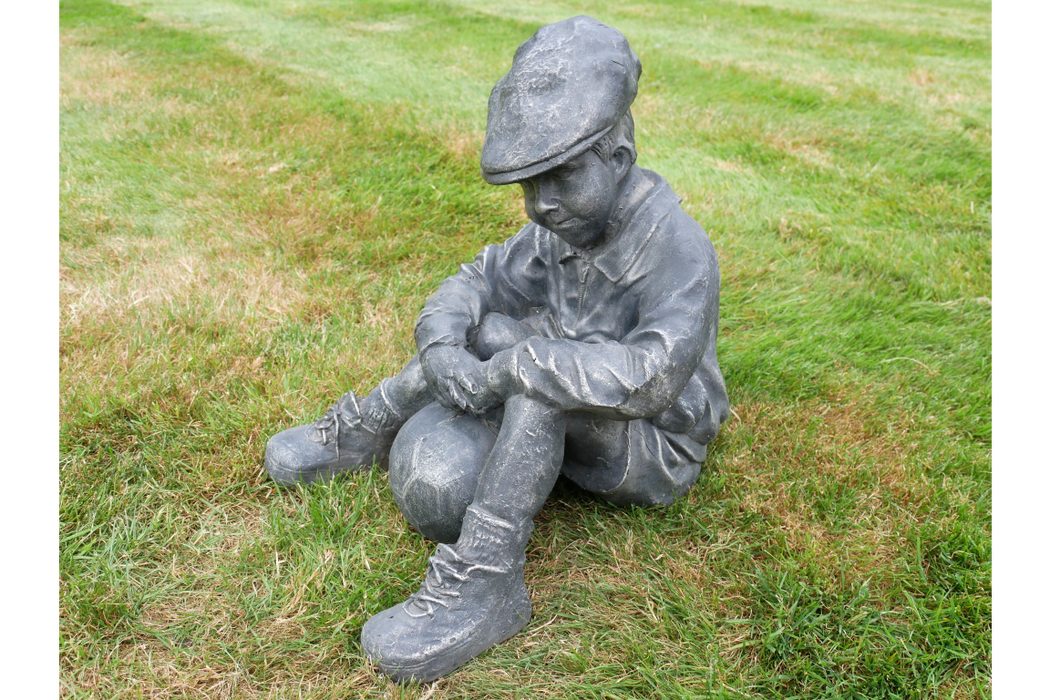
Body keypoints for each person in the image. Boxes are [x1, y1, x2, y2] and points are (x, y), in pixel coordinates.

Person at [264, 16, 729, 683]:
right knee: (493, 330)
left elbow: (649, 380)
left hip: (650, 444)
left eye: (560, 178)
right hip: (576, 388)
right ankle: (365, 428)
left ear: (617, 160)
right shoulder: (558, 229)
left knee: (538, 377)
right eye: (528, 186)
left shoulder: (678, 249)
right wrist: (443, 345)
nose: (540, 205)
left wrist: (515, 366)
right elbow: (474, 280)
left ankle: (484, 585)